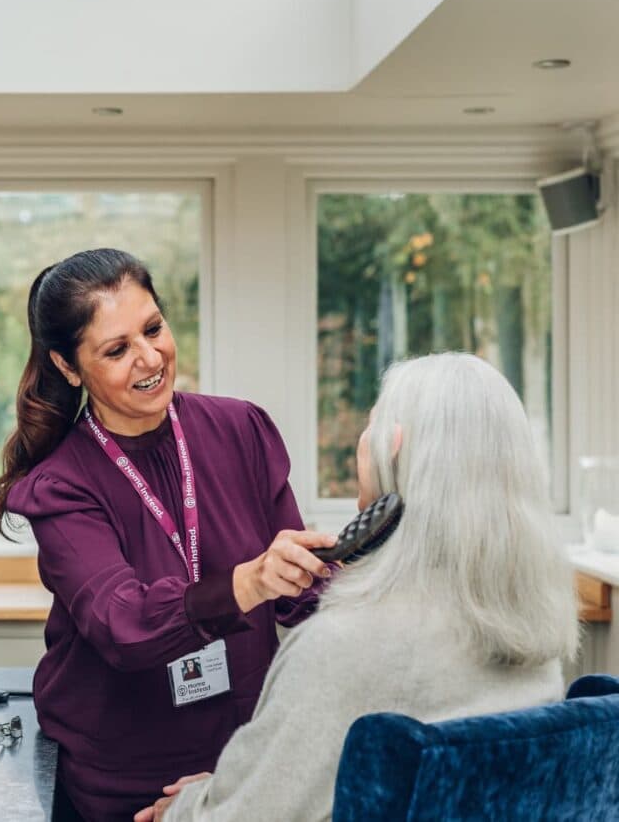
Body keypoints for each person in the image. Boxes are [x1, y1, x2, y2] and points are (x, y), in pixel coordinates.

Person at [136, 352, 579, 822]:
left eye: (371, 425)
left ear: (394, 447)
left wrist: (182, 808)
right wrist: (227, 787)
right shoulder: (534, 639)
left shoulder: (341, 647)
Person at [0, 248, 337, 822]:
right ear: (69, 367)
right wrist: (249, 582)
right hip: (120, 786)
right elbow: (122, 626)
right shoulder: (61, 485)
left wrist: (355, 572)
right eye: (116, 349)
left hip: (237, 772)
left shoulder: (241, 430)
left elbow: (302, 594)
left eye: (153, 329)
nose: (149, 357)